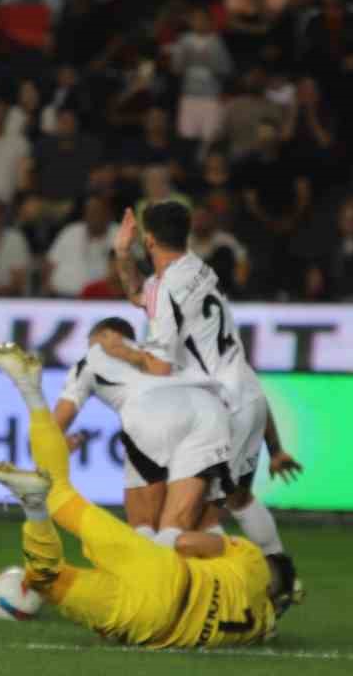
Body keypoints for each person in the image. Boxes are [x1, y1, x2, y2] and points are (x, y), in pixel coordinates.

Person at [0, 341, 297, 649]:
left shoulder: (252, 559)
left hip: (164, 572)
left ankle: (31, 391)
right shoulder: (260, 629)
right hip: (151, 620)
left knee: (59, 492)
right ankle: (34, 510)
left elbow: (187, 542)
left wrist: (148, 548)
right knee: (47, 580)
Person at [110, 201, 302, 551]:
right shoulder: (198, 269)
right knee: (237, 500)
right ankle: (282, 573)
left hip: (224, 411)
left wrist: (116, 354)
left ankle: (241, 578)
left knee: (185, 526)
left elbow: (159, 367)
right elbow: (140, 294)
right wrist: (123, 253)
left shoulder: (167, 289)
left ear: (149, 240)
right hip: (248, 396)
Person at [55, 317, 234, 536]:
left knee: (146, 523)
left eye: (91, 341)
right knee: (202, 521)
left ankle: (153, 565)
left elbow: (60, 418)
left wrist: (56, 441)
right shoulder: (162, 353)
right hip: (212, 414)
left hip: (151, 413)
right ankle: (231, 566)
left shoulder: (92, 359)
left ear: (107, 334)